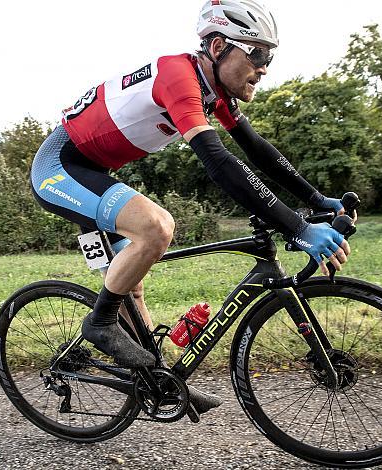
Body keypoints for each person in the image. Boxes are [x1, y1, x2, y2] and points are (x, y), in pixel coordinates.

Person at [30, 0, 351, 417]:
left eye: (269, 56)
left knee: (132, 283)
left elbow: (259, 153)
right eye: (256, 53)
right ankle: (98, 323)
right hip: (60, 167)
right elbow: (219, 161)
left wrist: (316, 201)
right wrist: (297, 228)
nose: (265, 67)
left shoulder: (213, 91)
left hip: (94, 169)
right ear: (217, 47)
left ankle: (159, 380)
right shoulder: (179, 77)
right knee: (156, 228)